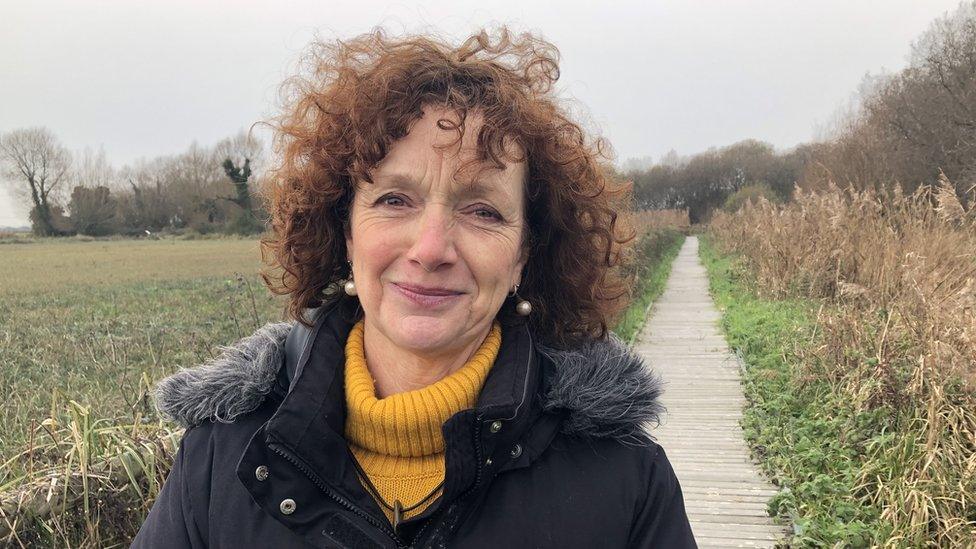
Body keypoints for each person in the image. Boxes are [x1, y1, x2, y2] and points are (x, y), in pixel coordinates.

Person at [132, 27, 696, 548]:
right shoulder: (218, 460)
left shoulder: (624, 479)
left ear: (524, 255)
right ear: (346, 234)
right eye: (394, 200)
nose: (430, 249)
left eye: (483, 211)